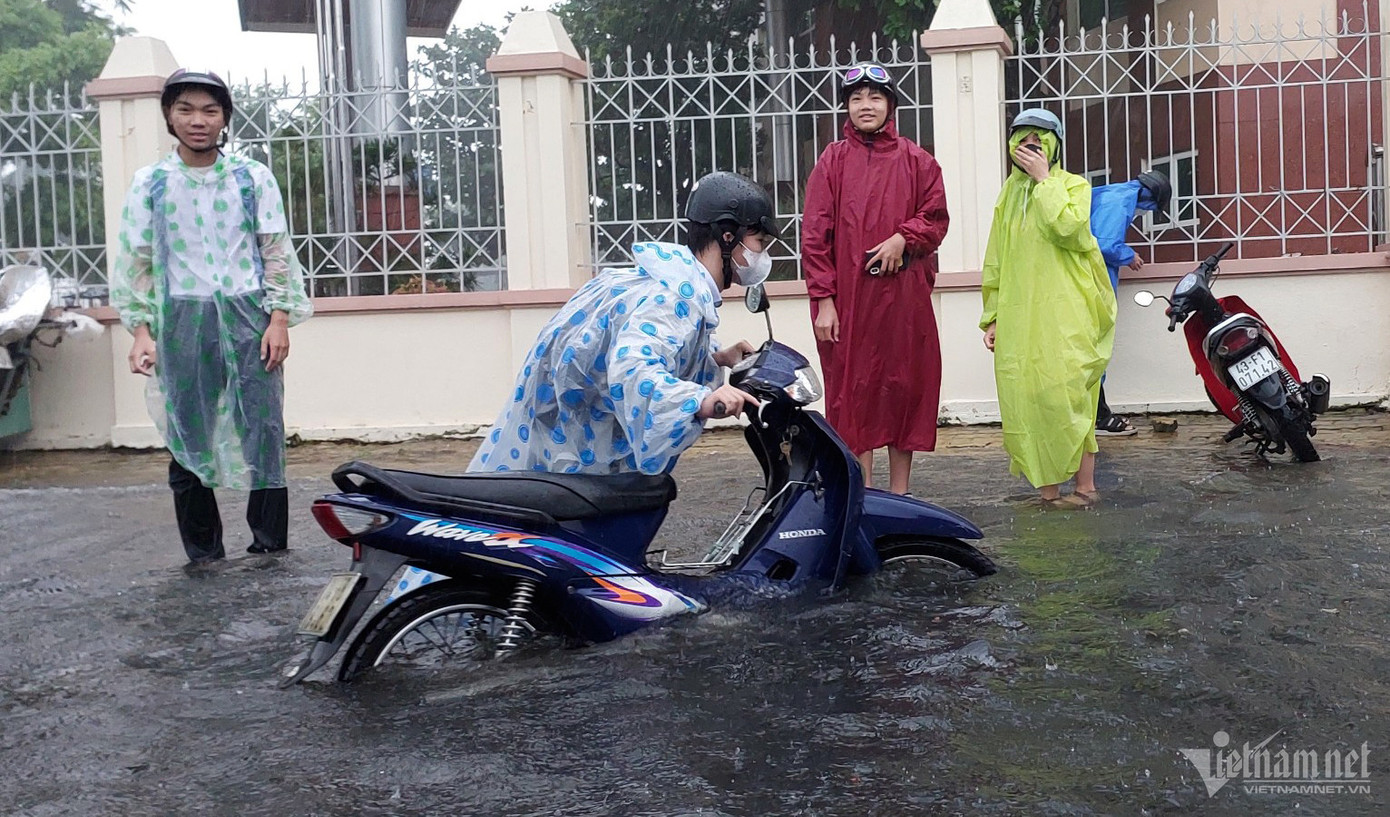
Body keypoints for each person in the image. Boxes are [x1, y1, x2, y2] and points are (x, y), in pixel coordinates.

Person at [110, 69, 313, 566]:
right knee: (186, 433)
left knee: (262, 430)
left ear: (224, 119)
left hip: (250, 315)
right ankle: (204, 553)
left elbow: (276, 250)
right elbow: (136, 258)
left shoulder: (251, 177)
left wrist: (279, 318)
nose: (198, 121)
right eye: (185, 110)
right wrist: (141, 331)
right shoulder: (151, 183)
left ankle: (270, 546)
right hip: (182, 319)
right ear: (169, 117)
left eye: (210, 110)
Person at [468, 171, 773, 476]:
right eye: (759, 241)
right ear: (728, 237)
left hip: (569, 429)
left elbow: (653, 347)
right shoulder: (670, 299)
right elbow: (633, 369)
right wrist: (702, 401)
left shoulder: (677, 284)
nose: (762, 254)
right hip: (573, 442)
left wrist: (717, 358)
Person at [801, 62, 950, 495]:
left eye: (875, 97)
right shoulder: (832, 161)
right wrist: (824, 300)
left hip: (904, 301)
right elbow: (815, 234)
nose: (866, 106)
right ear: (847, 108)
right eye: (856, 98)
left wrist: (904, 239)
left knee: (904, 387)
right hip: (849, 302)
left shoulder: (918, 162)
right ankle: (861, 494)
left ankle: (901, 497)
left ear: (891, 105)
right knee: (855, 394)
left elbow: (936, 219)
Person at [979, 108, 1116, 507]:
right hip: (1021, 317)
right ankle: (1048, 492)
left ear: (1055, 145)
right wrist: (993, 316)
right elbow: (997, 258)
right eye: (1022, 139)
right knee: (1029, 399)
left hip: (1068, 313)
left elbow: (1070, 229)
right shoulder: (1008, 196)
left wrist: (1044, 182)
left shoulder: (1074, 186)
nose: (1030, 145)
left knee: (1071, 396)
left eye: (1040, 138)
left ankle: (1085, 487)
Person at [1090, 169, 1172, 437]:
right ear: (1150, 197)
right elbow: (1104, 243)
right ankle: (1098, 417)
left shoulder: (1111, 192)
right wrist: (1129, 256)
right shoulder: (1121, 201)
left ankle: (1095, 413)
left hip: (1084, 284)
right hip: (1092, 286)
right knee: (1095, 350)